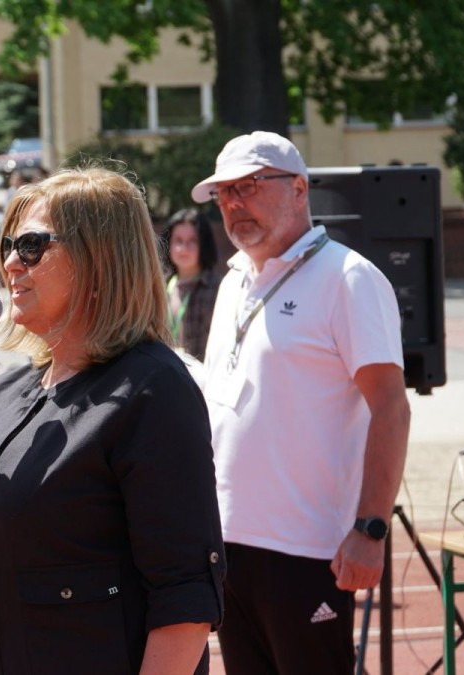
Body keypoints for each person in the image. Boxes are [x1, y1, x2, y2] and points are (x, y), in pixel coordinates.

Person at [0, 167, 225, 673]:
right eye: (5, 246)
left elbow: (185, 600)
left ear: (100, 257)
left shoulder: (153, 390)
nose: (9, 264)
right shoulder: (4, 395)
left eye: (31, 246)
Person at [191, 131, 410, 673]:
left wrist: (372, 529)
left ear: (299, 189)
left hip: (310, 551)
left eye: (249, 186)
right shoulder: (234, 280)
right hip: (227, 545)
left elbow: (392, 409)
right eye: (224, 193)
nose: (234, 203)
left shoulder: (348, 279)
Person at [159, 208, 221, 362]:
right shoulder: (159, 286)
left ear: (204, 245)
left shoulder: (218, 288)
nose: (183, 249)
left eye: (192, 241)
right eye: (178, 241)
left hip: (202, 380)